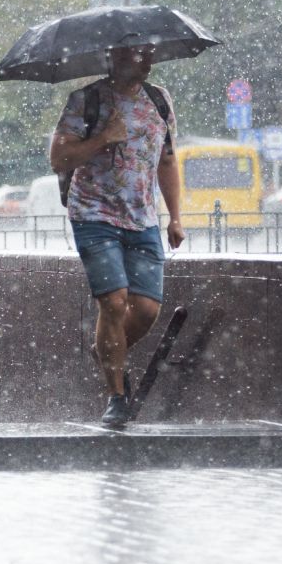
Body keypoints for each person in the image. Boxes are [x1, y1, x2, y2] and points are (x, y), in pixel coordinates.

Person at [48, 44, 185, 427]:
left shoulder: (160, 100)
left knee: (145, 311)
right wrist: (102, 138)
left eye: (149, 54)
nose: (146, 61)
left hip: (143, 219)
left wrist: (175, 217)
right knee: (113, 302)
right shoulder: (86, 100)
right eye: (137, 54)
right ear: (115, 59)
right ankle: (117, 396)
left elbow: (168, 161)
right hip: (93, 214)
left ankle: (108, 352)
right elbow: (59, 159)